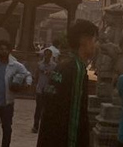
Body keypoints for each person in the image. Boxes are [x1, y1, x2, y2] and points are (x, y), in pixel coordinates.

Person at [37, 19, 99, 147]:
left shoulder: (62, 65)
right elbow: (74, 115)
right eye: (94, 40)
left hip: (50, 136)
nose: (95, 45)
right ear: (84, 40)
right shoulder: (77, 69)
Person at [32, 48, 56, 133]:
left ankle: (45, 126)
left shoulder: (54, 66)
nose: (47, 56)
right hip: (40, 88)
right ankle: (36, 125)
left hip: (48, 89)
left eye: (49, 55)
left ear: (51, 56)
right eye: (45, 54)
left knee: (47, 108)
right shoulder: (39, 65)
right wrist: (35, 85)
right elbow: (36, 75)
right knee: (38, 108)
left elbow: (55, 78)